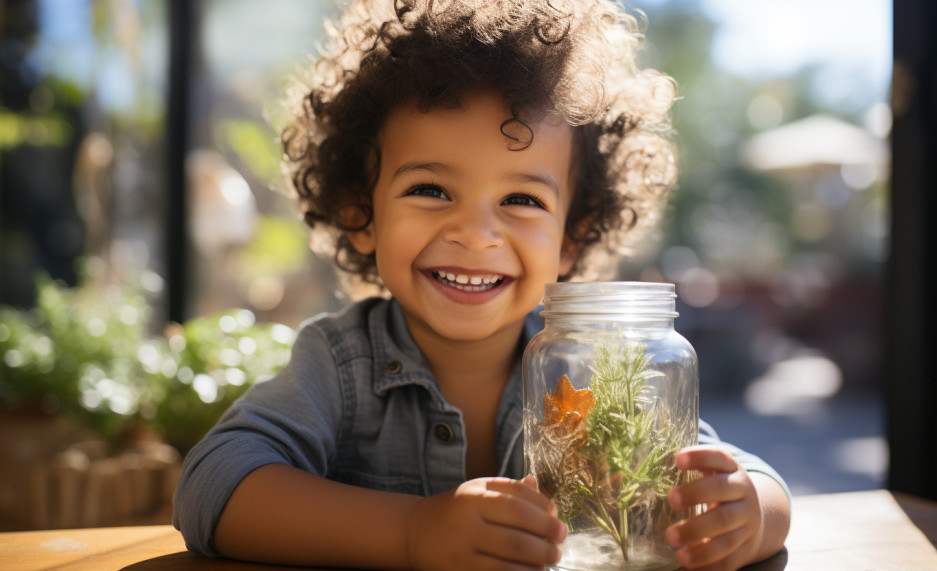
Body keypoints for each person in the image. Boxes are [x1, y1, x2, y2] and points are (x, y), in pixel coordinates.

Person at [172, 0, 792, 569]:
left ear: (572, 235)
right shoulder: (338, 365)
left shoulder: (596, 372)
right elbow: (211, 484)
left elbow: (750, 477)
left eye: (521, 198)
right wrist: (413, 532)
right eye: (430, 189)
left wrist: (747, 512)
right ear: (360, 211)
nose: (474, 233)